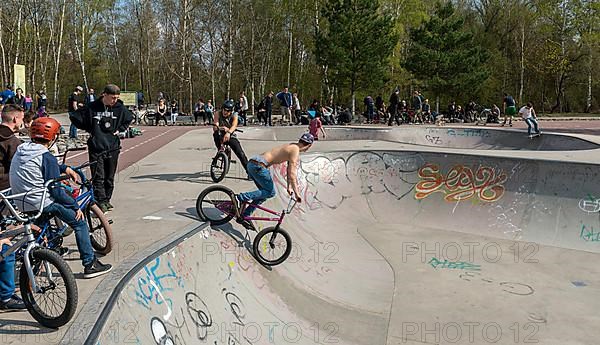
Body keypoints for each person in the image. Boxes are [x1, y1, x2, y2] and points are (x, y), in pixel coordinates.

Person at [10, 117, 112, 278]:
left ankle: (46, 252)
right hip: (41, 201)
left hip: (22, 201)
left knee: (41, 225)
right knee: (79, 223)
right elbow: (56, 191)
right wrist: (74, 206)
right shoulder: (46, 156)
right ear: (52, 137)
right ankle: (90, 264)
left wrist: (65, 168)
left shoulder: (22, 149)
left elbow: (41, 166)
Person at [69, 84, 133, 213]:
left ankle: (107, 200)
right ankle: (100, 200)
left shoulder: (120, 108)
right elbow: (75, 116)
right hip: (97, 146)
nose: (114, 100)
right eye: (112, 97)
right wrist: (89, 128)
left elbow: (128, 118)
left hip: (113, 147)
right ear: (104, 95)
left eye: (116, 97)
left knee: (109, 177)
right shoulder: (93, 107)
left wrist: (120, 130)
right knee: (99, 176)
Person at [235, 133, 314, 230]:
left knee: (263, 195)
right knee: (270, 192)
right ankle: (241, 198)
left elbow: (289, 170)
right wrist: (297, 194)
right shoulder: (295, 151)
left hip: (252, 164)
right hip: (259, 166)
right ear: (309, 145)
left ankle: (245, 214)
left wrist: (289, 187)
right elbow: (292, 174)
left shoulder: (292, 146)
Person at [0, 104, 25, 310]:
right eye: (22, 119)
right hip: (4, 195)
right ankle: (6, 296)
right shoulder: (12, 142)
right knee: (6, 245)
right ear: (15, 119)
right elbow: (18, 171)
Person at [212, 100, 249, 174]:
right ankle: (220, 151)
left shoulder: (235, 115)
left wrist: (228, 132)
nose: (225, 112)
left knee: (240, 153)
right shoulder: (217, 113)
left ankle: (249, 172)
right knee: (216, 134)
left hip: (230, 134)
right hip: (220, 133)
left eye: (227, 111)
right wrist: (222, 128)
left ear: (231, 111)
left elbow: (234, 125)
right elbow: (215, 126)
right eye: (224, 110)